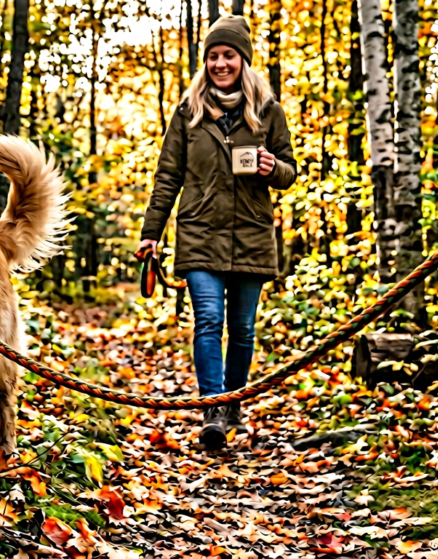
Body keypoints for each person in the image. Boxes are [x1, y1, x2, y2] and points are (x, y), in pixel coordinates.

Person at [137, 15, 297, 450]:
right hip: (199, 232)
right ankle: (213, 408)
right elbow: (167, 177)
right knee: (208, 321)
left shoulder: (268, 110)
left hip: (251, 233)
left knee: (242, 329)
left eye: (228, 55)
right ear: (204, 61)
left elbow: (290, 171)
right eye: (213, 56)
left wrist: (273, 168)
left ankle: (233, 405)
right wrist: (151, 233)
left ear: (243, 59)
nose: (220, 63)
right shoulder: (187, 113)